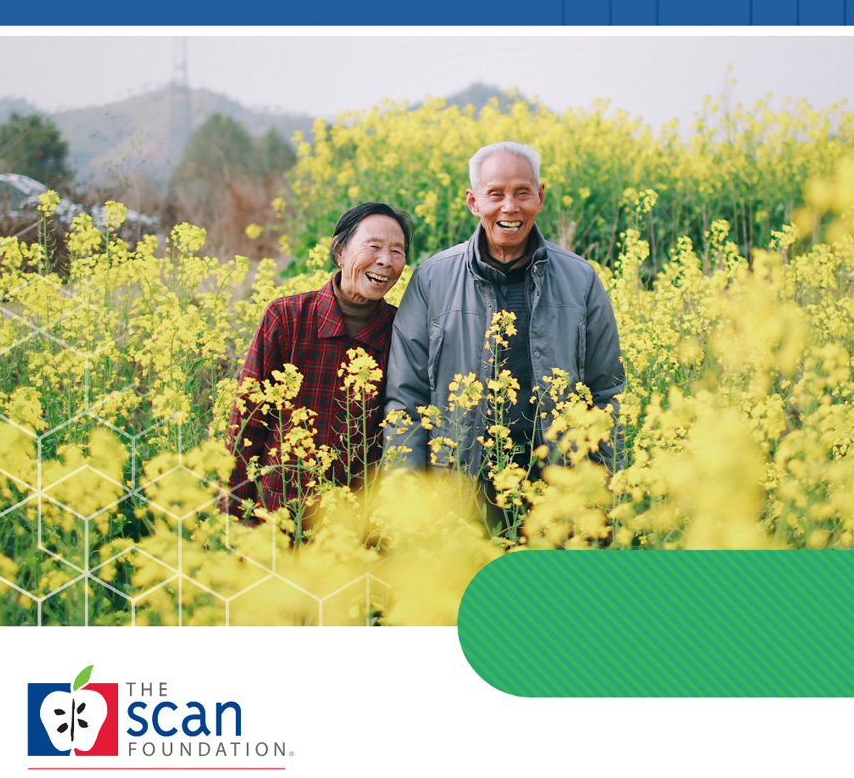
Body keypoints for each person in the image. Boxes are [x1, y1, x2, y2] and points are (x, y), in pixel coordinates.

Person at [382, 141, 625, 482]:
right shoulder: (431, 280)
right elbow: (406, 398)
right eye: (495, 194)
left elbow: (607, 392)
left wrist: (604, 492)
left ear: (540, 197)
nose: (509, 207)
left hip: (559, 486)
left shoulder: (580, 279)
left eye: (522, 193)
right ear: (473, 201)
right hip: (460, 487)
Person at [228, 202, 412, 513]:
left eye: (397, 251)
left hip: (355, 527)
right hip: (279, 516)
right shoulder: (287, 318)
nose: (385, 260)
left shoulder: (403, 331)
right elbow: (246, 424)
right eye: (374, 246)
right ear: (340, 252)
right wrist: (233, 517)